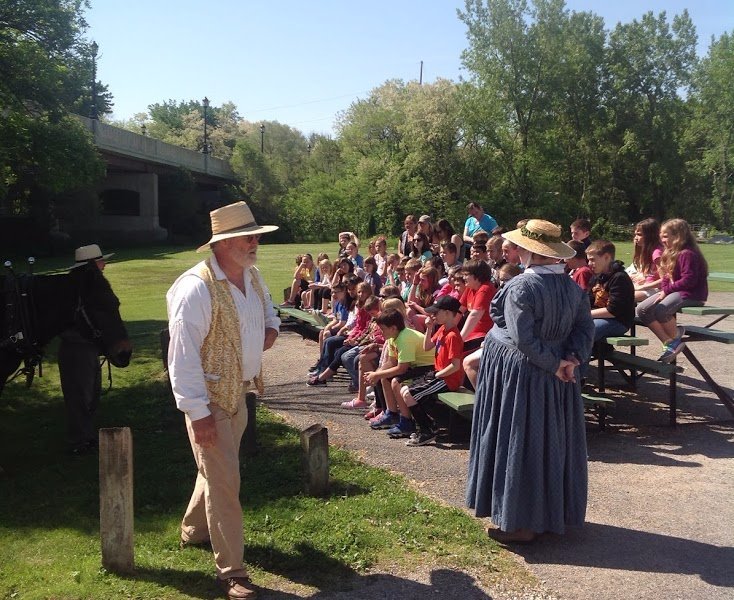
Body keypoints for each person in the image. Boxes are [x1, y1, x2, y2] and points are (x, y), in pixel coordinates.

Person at [166, 201, 279, 600]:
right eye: (248, 236)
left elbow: (269, 309)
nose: (255, 243)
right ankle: (232, 572)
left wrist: (272, 328)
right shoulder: (195, 289)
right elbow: (180, 358)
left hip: (241, 394)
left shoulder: (252, 276)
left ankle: (192, 530)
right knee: (226, 481)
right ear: (224, 243)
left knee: (215, 472)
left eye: (256, 236)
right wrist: (198, 414)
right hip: (210, 399)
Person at [466, 219, 594, 544]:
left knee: (520, 440)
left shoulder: (522, 286)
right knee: (550, 441)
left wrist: (555, 364)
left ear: (531, 251)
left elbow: (523, 338)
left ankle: (520, 523)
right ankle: (548, 515)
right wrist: (571, 360)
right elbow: (584, 329)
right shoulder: (572, 288)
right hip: (555, 373)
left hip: (522, 375)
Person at [58, 244, 115, 456]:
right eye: (100, 261)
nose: (104, 265)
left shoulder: (89, 286)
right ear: (91, 265)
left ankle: (86, 436)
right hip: (76, 349)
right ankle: (79, 441)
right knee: (79, 396)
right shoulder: (75, 289)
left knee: (91, 395)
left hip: (87, 348)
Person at [636, 218, 708, 363]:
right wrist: (664, 289)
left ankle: (674, 340)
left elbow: (689, 281)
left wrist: (667, 290)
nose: (662, 240)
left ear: (678, 236)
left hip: (692, 294)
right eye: (661, 236)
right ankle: (670, 341)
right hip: (677, 291)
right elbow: (666, 276)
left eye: (666, 236)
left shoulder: (688, 254)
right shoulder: (670, 253)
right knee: (642, 309)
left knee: (661, 310)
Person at [400, 295, 465, 446]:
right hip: (438, 375)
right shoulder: (442, 329)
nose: (433, 315)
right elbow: (427, 346)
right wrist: (429, 328)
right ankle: (429, 427)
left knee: (410, 394)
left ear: (448, 313)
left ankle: (426, 431)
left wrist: (437, 375)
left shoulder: (453, 336)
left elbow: (455, 366)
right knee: (405, 390)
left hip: (447, 380)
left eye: (436, 312)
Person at [586, 240, 635, 345]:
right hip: (598, 317)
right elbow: (588, 302)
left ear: (607, 257)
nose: (589, 264)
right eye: (588, 260)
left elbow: (613, 311)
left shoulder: (620, 278)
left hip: (618, 321)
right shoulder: (596, 277)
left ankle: (576, 360)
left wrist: (585, 314)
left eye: (592, 260)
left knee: (586, 331)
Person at [629, 218, 663, 302]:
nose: (636, 238)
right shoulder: (646, 250)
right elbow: (649, 274)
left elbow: (665, 280)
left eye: (639, 235)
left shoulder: (657, 253)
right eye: (635, 234)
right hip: (646, 286)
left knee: (624, 297)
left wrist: (642, 287)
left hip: (656, 289)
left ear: (650, 236)